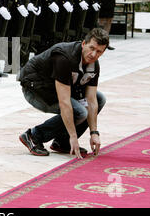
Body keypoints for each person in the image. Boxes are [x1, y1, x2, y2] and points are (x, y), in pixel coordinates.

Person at [18, 28, 108, 159]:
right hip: (36, 89)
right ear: (83, 44)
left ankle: (62, 142)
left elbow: (92, 100)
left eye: (99, 51)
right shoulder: (65, 58)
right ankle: (34, 136)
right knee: (80, 112)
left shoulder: (93, 64)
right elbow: (64, 102)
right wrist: (73, 136)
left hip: (55, 88)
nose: (93, 54)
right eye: (91, 48)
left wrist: (94, 132)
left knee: (100, 99)